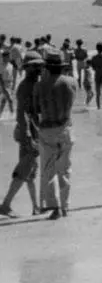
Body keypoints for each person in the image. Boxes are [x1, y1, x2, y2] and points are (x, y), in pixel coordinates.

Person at [0, 51, 44, 217]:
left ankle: (36, 207)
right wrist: (28, 136)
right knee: (25, 169)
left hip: (32, 132)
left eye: (40, 66)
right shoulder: (26, 87)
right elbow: (21, 114)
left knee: (31, 171)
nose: (40, 69)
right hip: (28, 133)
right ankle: (5, 205)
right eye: (37, 66)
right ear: (28, 68)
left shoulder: (34, 84)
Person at [36, 50, 77, 219]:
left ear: (47, 67)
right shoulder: (71, 82)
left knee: (48, 170)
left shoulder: (40, 85)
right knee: (65, 169)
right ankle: (65, 206)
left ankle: (54, 207)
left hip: (47, 129)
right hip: (65, 127)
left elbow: (36, 109)